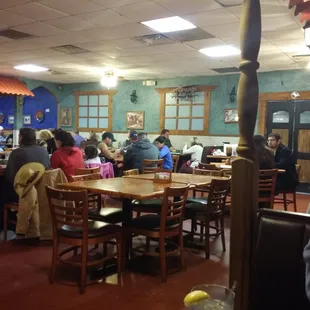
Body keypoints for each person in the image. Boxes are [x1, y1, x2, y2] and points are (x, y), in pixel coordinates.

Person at [0, 128, 50, 231]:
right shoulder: (43, 151)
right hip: (41, 190)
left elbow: (10, 176)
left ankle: (5, 223)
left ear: (21, 137)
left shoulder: (17, 153)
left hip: (21, 193)